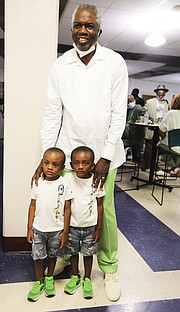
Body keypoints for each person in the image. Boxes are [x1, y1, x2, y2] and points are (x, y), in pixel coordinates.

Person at [32, 4, 128, 301]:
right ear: (71, 29)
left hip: (104, 156)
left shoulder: (114, 62)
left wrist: (106, 155)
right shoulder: (61, 64)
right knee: (66, 212)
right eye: (78, 26)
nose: (83, 31)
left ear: (98, 31)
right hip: (69, 154)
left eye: (89, 27)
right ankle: (65, 257)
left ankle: (109, 267)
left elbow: (118, 112)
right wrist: (48, 152)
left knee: (103, 213)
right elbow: (51, 112)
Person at [27, 147, 73, 302]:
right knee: (38, 257)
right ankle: (39, 281)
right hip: (38, 229)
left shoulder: (65, 184)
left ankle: (49, 278)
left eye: (55, 164)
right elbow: (32, 205)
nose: (50, 167)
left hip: (57, 230)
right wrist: (29, 229)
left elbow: (67, 209)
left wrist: (65, 232)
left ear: (62, 167)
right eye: (46, 163)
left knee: (53, 255)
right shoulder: (37, 182)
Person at [64, 146, 104, 299]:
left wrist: (99, 228)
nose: (80, 167)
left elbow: (100, 205)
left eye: (85, 163)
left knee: (88, 254)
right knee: (73, 253)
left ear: (92, 165)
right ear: (71, 164)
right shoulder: (68, 179)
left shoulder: (96, 181)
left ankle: (87, 278)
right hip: (72, 226)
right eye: (76, 163)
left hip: (90, 227)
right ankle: (75, 276)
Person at [141, 84, 169, 171]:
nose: (161, 94)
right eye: (159, 92)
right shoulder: (150, 102)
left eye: (163, 92)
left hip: (160, 128)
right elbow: (143, 112)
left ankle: (148, 165)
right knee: (149, 147)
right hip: (151, 127)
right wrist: (147, 120)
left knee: (156, 147)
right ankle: (150, 166)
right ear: (156, 93)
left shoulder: (166, 103)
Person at [158, 93, 180, 177]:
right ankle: (175, 168)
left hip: (170, 146)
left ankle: (174, 167)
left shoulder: (171, 113)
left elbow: (161, 130)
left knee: (160, 146)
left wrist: (162, 137)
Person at [122, 95, 145, 161]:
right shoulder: (125, 109)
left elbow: (144, 113)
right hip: (125, 130)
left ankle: (135, 157)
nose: (129, 103)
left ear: (134, 100)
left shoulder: (138, 108)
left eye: (131, 101)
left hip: (133, 131)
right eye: (128, 102)